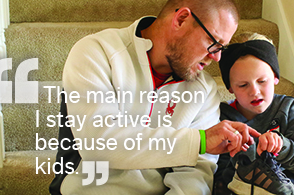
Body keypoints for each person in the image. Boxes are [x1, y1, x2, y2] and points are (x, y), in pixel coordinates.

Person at [49, 1, 261, 194]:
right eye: (213, 42)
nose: (217, 57)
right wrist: (200, 141)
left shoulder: (204, 88)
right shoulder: (97, 52)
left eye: (221, 48)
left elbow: (195, 175)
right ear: (181, 19)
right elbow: (99, 144)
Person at [214, 33, 294, 195]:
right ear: (230, 88)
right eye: (243, 85)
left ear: (275, 77)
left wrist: (282, 145)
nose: (254, 91)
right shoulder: (223, 117)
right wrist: (250, 157)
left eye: (262, 81)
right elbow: (219, 174)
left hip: (286, 183)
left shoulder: (286, 107)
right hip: (242, 188)